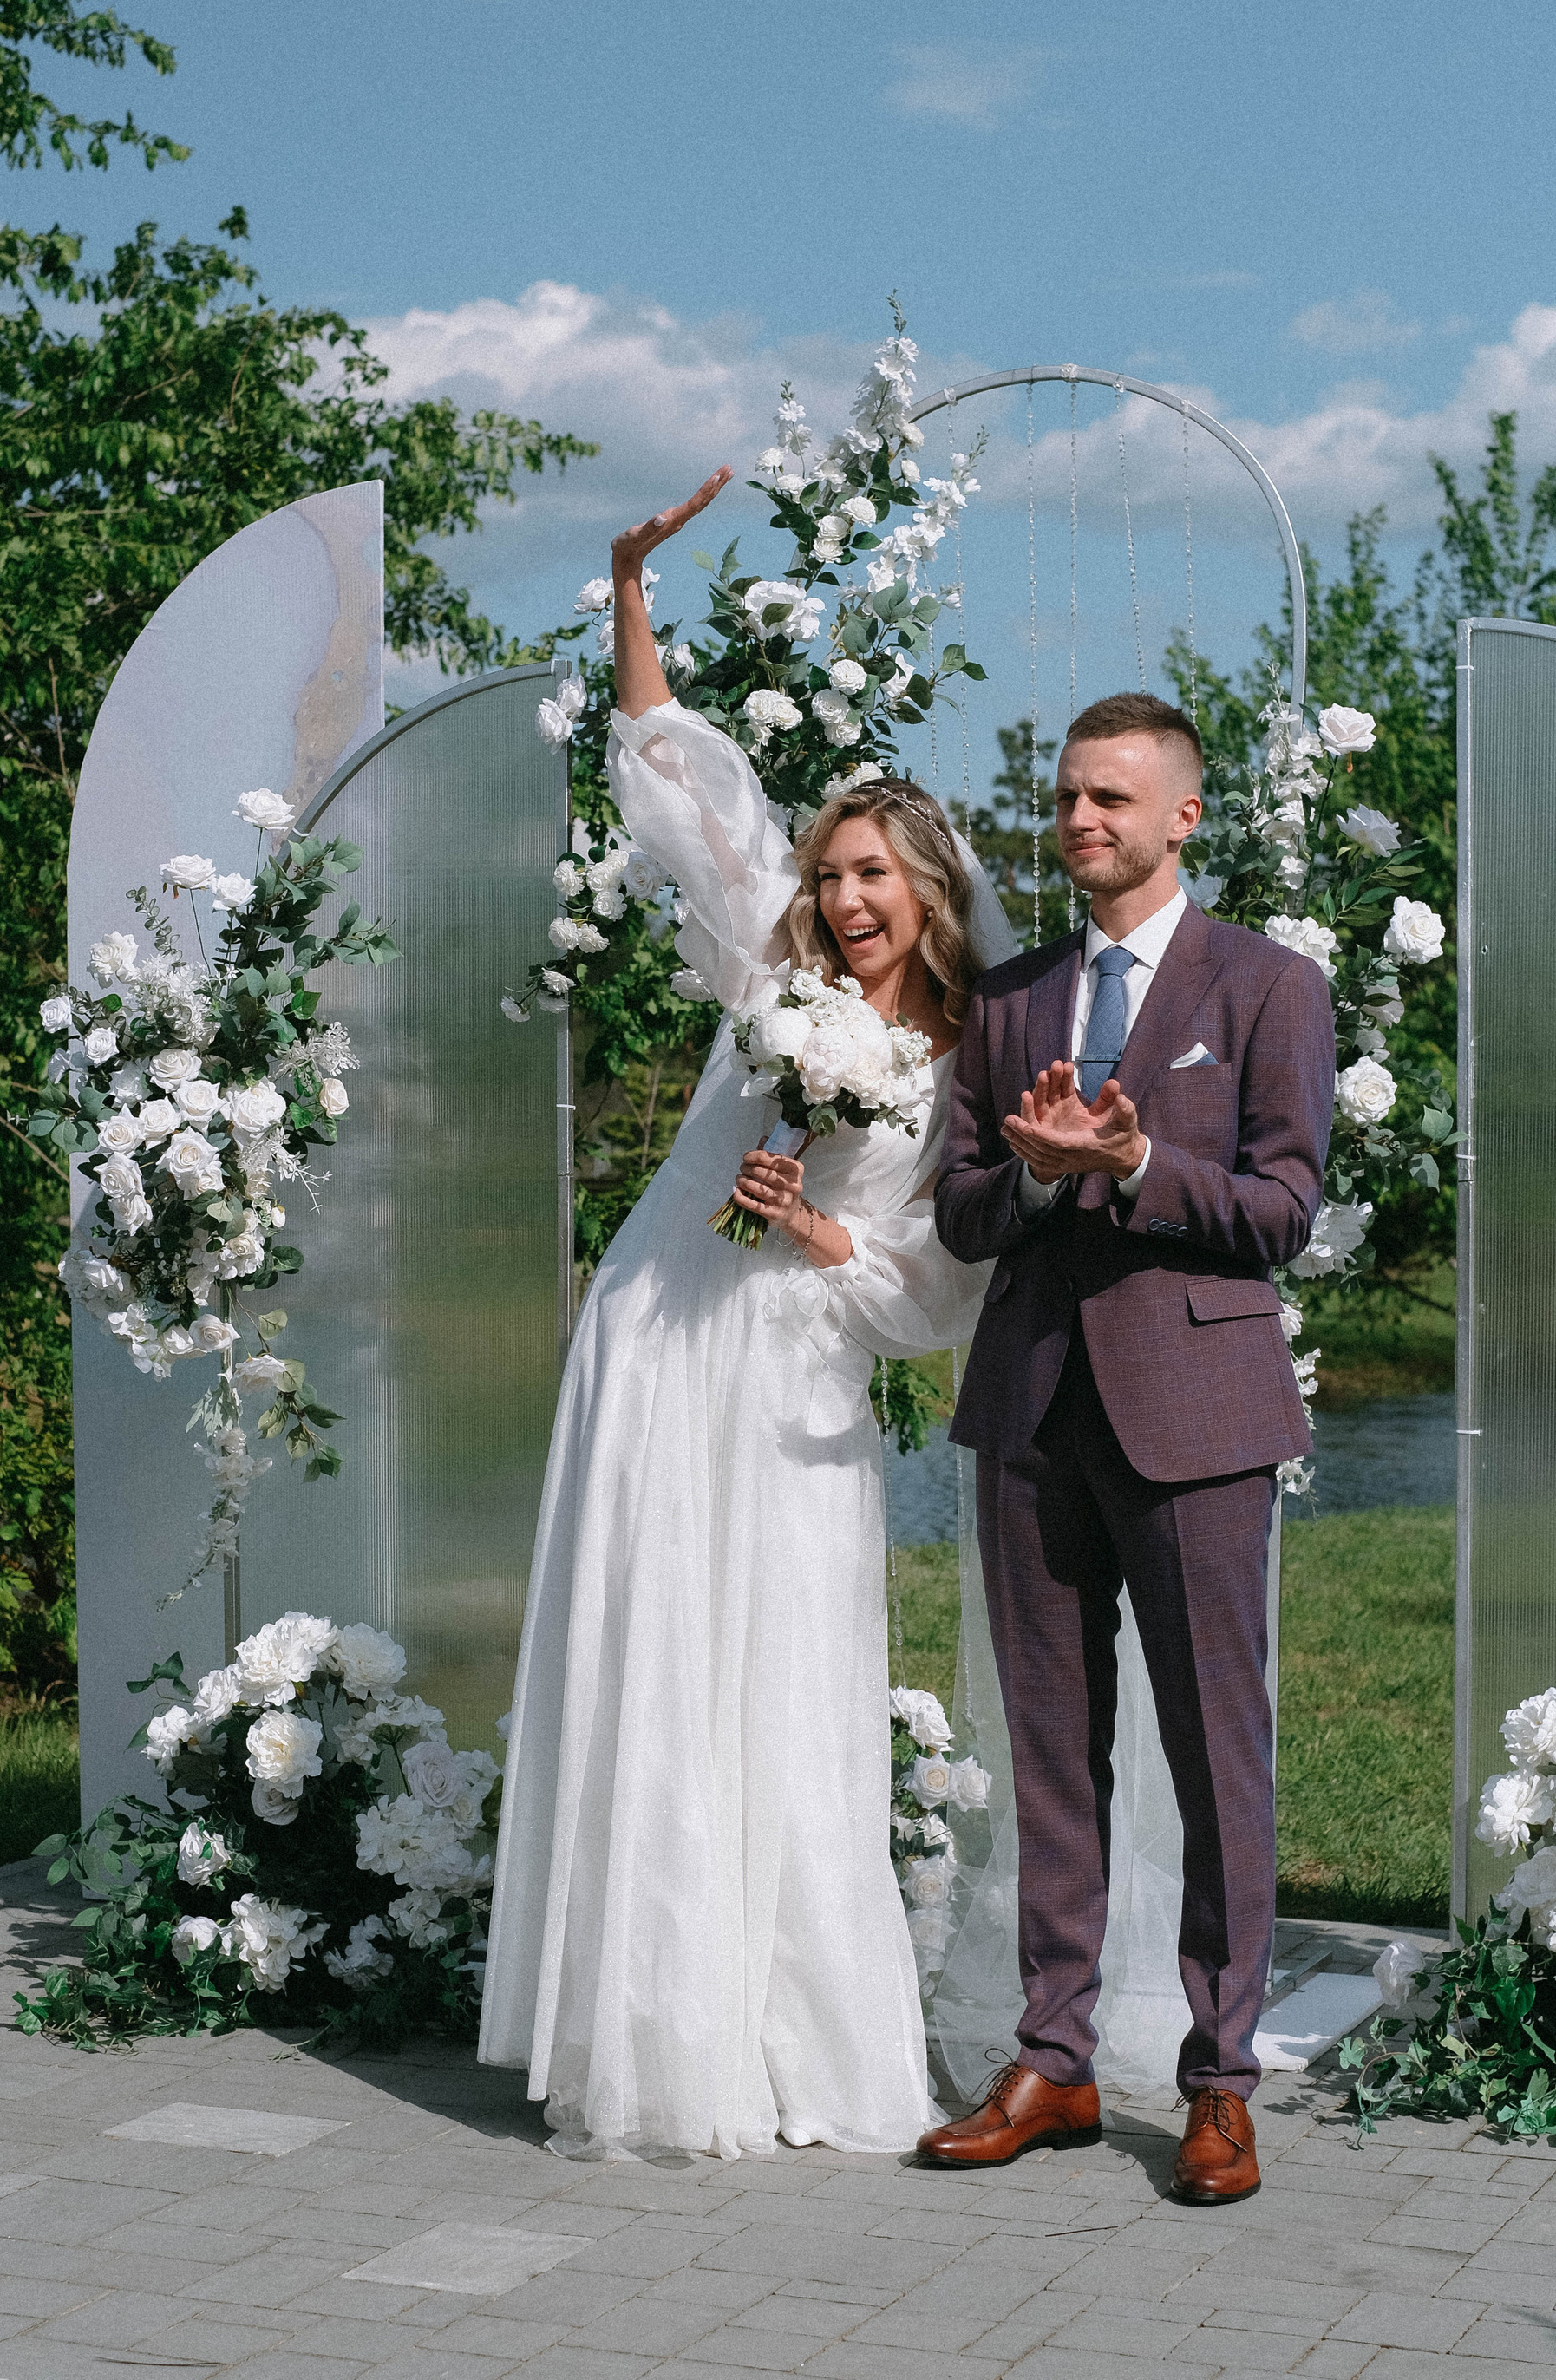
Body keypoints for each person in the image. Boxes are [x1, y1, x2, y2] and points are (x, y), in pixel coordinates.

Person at [479, 468, 1018, 2161]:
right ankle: (653, 2042)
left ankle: (801, 2046)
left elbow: (936, 1290)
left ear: (929, 890)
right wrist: (631, 590)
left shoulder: (964, 1065)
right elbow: (680, 784)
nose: (848, 901)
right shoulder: (763, 977)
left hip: (792, 1385)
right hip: (659, 1342)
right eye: (833, 871)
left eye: (877, 877)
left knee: (782, 1685)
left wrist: (819, 1235)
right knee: (650, 1669)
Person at [921, 692, 1334, 2202]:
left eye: (1110, 797)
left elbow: (1283, 1211)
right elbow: (959, 1211)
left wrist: (1141, 1159)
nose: (1081, 819)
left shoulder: (1269, 986)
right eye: (1067, 796)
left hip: (1198, 1420)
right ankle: (1056, 2061)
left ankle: (1221, 2083)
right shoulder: (1010, 1000)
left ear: (1183, 816)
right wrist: (1037, 1182)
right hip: (1032, 1414)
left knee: (1220, 1756)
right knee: (1050, 1754)